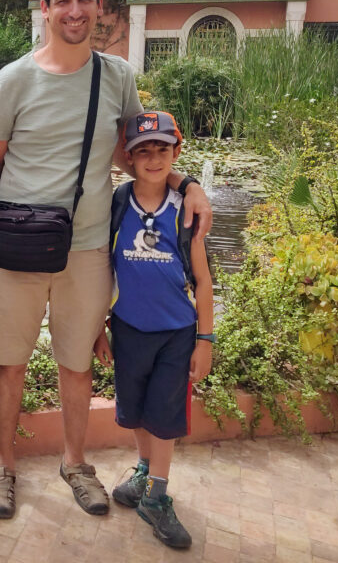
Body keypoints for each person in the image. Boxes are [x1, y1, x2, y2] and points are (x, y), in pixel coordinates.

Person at [0, 0, 213, 520]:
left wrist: (185, 182)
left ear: (100, 6)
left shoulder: (117, 77)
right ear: (46, 8)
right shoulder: (14, 79)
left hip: (85, 246)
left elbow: (137, 154)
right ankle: (2, 464)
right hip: (14, 246)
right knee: (9, 362)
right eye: (63, 0)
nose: (75, 10)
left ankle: (76, 462)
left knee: (76, 362)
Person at [97, 110, 214, 549]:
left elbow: (203, 281)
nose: (153, 158)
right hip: (128, 328)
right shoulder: (116, 204)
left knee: (164, 416)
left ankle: (157, 496)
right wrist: (99, 328)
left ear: (176, 152)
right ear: (127, 157)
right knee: (134, 410)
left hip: (176, 334)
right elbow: (102, 271)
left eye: (161, 149)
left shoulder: (185, 211)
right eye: (142, 150)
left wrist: (205, 340)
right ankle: (145, 471)